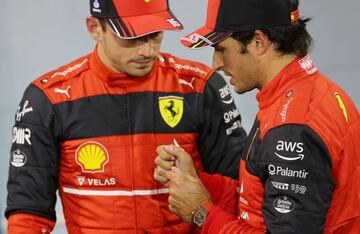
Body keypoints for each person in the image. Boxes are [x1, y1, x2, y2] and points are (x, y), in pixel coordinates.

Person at [5, 0, 247, 233]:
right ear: (94, 28)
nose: (147, 50)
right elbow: (29, 213)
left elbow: (239, 194)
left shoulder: (200, 86)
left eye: (155, 34)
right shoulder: (49, 98)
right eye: (130, 37)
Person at [154, 0, 360, 233]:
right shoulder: (312, 92)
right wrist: (197, 181)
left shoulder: (292, 126)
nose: (216, 64)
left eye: (221, 49)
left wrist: (201, 213)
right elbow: (262, 198)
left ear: (258, 42)